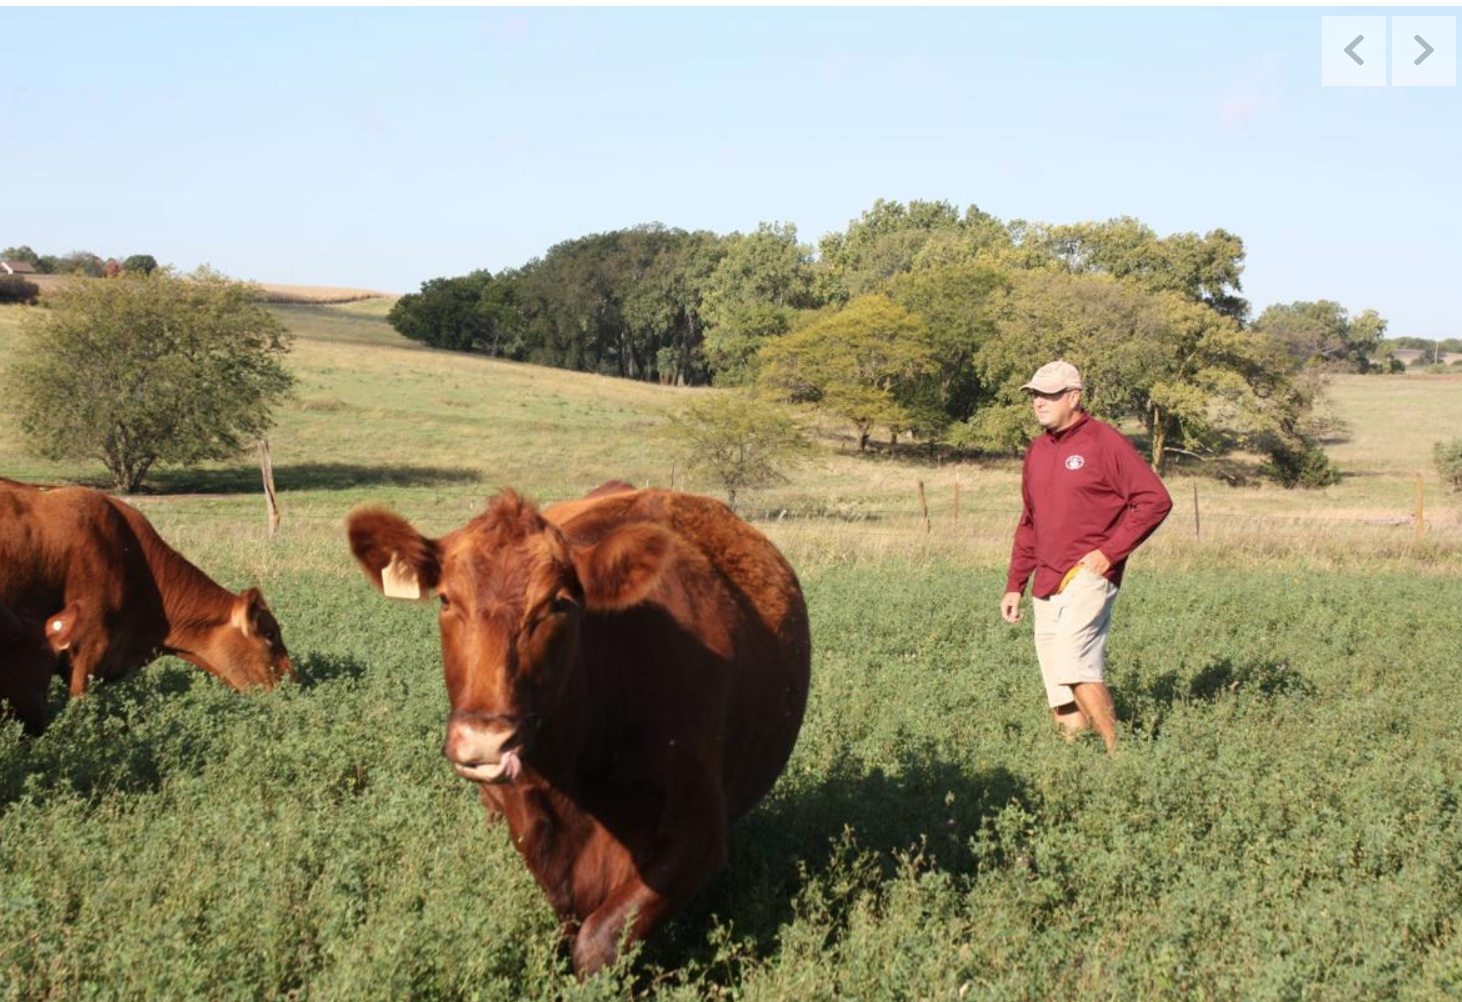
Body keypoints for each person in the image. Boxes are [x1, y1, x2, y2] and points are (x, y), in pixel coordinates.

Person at [1000, 360, 1172, 751]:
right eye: (1035, 395)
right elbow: (1030, 521)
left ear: (1074, 397)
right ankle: (1074, 762)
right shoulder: (1038, 450)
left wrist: (1109, 552)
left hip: (1087, 576)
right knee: (1057, 681)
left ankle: (1119, 756)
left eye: (1049, 395)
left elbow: (1154, 500)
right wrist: (1015, 584)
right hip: (1045, 578)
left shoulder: (1104, 442)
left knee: (1075, 663)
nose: (1039, 403)